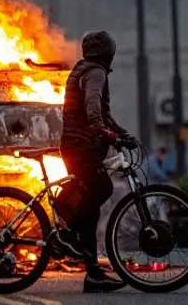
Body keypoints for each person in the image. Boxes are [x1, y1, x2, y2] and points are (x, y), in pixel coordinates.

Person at [51, 30, 136, 293]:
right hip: (82, 146)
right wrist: (104, 131)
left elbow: (104, 114)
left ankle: (93, 274)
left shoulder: (83, 68)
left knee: (91, 209)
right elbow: (93, 108)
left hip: (78, 145)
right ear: (107, 53)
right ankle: (65, 235)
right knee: (103, 189)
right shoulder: (96, 72)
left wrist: (121, 134)